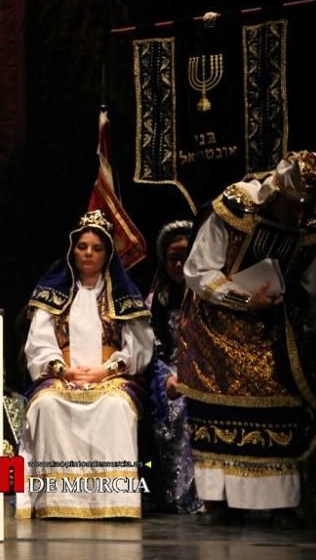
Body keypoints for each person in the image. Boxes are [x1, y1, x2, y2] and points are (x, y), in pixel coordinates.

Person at [177, 151, 316, 525]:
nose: (297, 215)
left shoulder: (312, 223)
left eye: (304, 206)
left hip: (274, 325)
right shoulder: (236, 206)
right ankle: (218, 499)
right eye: (293, 205)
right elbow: (198, 270)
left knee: (283, 404)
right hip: (219, 321)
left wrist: (302, 324)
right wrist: (244, 299)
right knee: (217, 404)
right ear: (278, 192)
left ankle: (280, 500)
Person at [16, 210, 154, 519]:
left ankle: (114, 503)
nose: (88, 253)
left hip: (110, 378)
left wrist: (108, 370)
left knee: (117, 408)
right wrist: (63, 371)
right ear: (72, 250)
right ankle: (58, 501)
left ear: (107, 254)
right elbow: (38, 343)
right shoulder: (53, 293)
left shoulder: (124, 295)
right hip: (63, 377)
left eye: (97, 247)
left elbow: (141, 347)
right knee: (47, 407)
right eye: (82, 246)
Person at [145, 220, 202, 514]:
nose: (179, 264)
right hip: (169, 374)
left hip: (208, 371)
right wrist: (167, 378)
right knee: (174, 406)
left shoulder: (208, 297)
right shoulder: (156, 301)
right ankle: (175, 493)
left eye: (185, 256)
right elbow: (150, 350)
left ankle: (207, 496)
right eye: (173, 258)